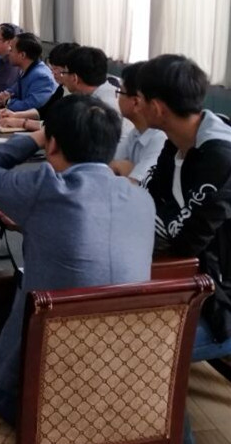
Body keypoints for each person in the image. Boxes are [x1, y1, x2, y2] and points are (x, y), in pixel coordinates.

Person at [0, 94, 154, 425]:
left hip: (45, 399)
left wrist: (37, 135)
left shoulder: (45, 187)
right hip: (126, 383)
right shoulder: (141, 199)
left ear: (52, 145)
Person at [136, 54, 231, 444]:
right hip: (189, 281)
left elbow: (185, 246)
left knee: (138, 353)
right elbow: (149, 203)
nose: (134, 105)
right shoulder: (176, 145)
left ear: (157, 108)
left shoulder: (220, 158)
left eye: (138, 99)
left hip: (219, 299)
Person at [57, 46, 133, 143]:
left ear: (74, 78)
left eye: (64, 72)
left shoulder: (102, 107)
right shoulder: (106, 91)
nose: (62, 76)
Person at [0, 42, 79, 130]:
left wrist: (22, 122)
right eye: (52, 68)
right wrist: (15, 115)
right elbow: (43, 111)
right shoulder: (62, 88)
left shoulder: (79, 99)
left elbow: (57, 126)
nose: (52, 72)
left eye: (56, 69)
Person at [110, 62, 166, 183]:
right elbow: (108, 166)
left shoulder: (160, 140)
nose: (117, 97)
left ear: (136, 102)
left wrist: (124, 171)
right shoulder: (137, 132)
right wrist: (119, 168)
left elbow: (135, 186)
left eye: (120, 92)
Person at [0, 32, 56, 112]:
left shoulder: (41, 76)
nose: (8, 52)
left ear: (22, 55)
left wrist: (7, 101)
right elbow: (13, 91)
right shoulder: (27, 70)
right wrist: (3, 95)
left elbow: (30, 107)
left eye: (11, 50)